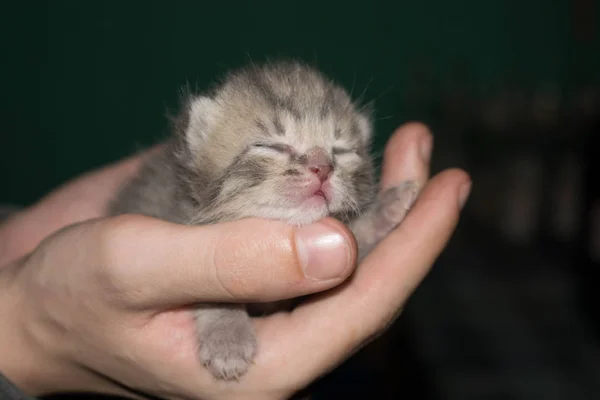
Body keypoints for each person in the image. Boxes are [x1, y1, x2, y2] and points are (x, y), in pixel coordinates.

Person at [0, 123, 470, 400]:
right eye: (272, 146)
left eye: (342, 152)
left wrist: (367, 228)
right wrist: (23, 326)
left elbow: (340, 244)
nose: (320, 164)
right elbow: (179, 255)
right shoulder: (181, 194)